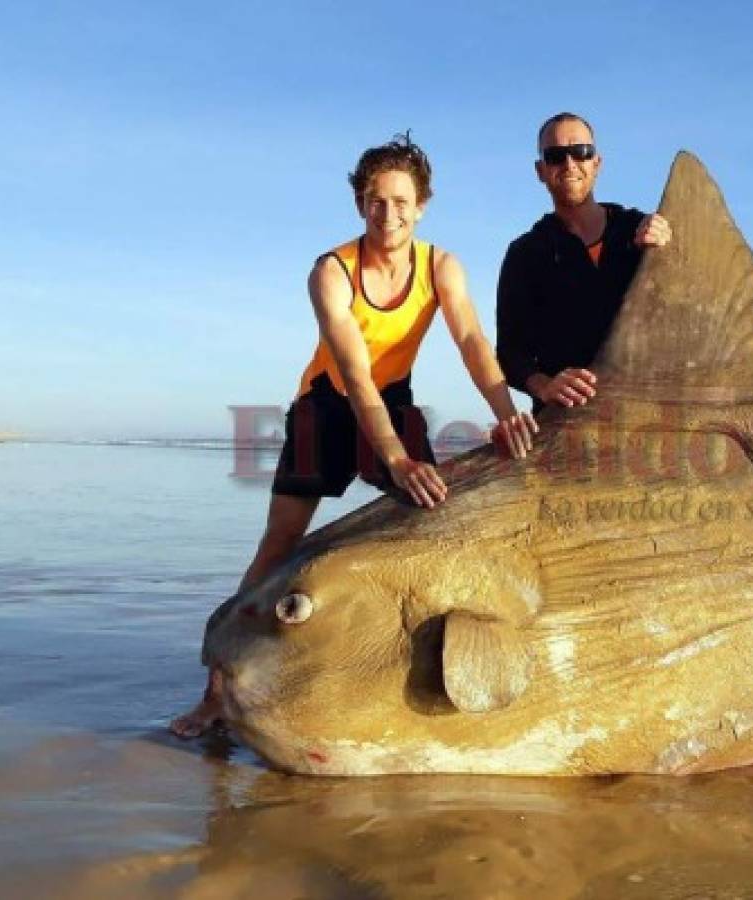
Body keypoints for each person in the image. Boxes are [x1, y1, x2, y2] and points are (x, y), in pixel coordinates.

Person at [171, 134, 537, 738]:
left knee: (432, 516)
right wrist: (394, 458)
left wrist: (505, 408)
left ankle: (405, 669)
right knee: (281, 542)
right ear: (360, 204)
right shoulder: (332, 272)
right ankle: (217, 689)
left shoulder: (441, 266)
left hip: (391, 399)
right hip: (327, 404)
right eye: (374, 201)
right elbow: (355, 372)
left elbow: (472, 343)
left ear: (421, 205)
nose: (387, 214)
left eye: (399, 201)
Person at [496, 112, 671, 412]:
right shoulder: (525, 254)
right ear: (540, 170)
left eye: (581, 152)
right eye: (555, 156)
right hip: (569, 425)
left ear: (597, 163)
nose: (569, 164)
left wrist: (671, 250)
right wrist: (545, 385)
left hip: (648, 414)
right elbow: (511, 353)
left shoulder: (642, 230)